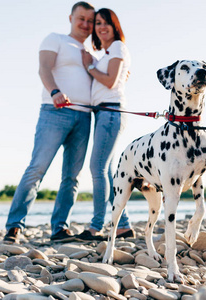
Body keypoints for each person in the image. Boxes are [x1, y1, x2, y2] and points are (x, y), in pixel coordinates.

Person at [4, 2, 96, 243]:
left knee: (72, 177)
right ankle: (14, 226)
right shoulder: (55, 39)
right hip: (55, 112)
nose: (85, 24)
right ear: (71, 18)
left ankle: (59, 228)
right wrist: (55, 91)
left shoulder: (90, 53)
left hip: (84, 116)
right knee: (37, 169)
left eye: (90, 20)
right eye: (81, 18)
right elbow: (43, 68)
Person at [76, 8, 134, 240]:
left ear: (115, 26)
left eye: (106, 23)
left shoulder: (118, 47)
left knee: (97, 168)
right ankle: (124, 226)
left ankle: (96, 226)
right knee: (107, 172)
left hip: (110, 112)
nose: (101, 27)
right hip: (103, 113)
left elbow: (110, 82)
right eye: (97, 23)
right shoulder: (108, 52)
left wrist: (89, 66)